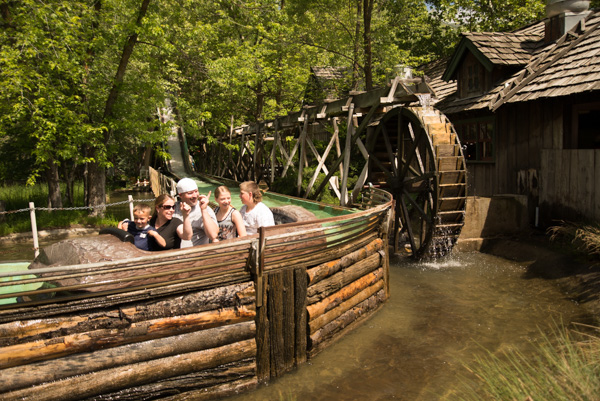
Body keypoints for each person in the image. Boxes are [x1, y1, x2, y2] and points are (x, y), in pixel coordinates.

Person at [173, 178, 218, 247]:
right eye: (190, 193)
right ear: (180, 195)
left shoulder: (205, 209)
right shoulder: (172, 209)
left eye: (196, 191)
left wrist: (203, 210)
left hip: (196, 254)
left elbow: (213, 235)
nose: (194, 196)